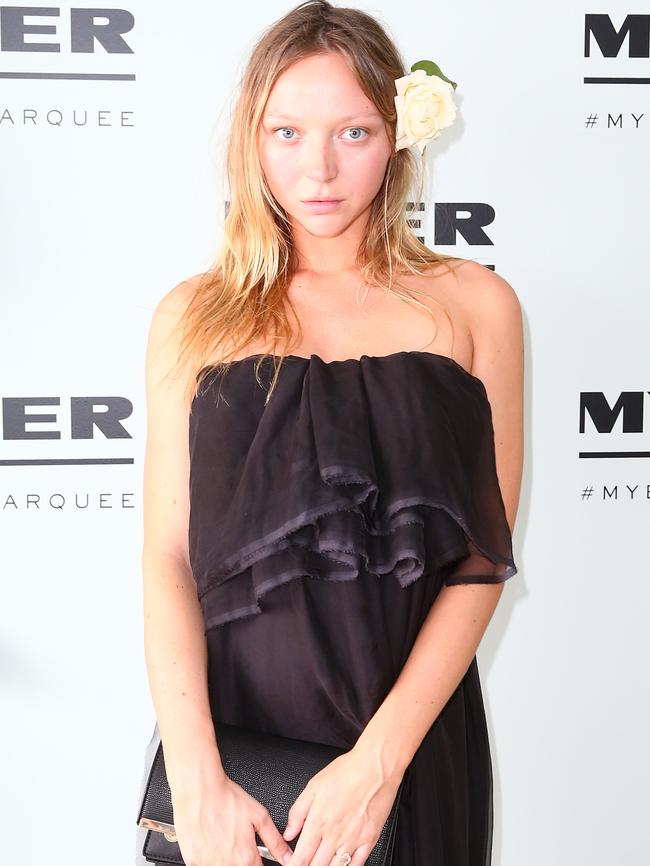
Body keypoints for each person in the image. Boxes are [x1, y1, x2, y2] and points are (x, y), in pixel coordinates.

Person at [138, 2, 524, 866]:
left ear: (397, 136)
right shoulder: (192, 317)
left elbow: (481, 560)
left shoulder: (476, 306)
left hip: (409, 748)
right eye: (287, 132)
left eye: (352, 131)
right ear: (252, 139)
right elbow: (166, 554)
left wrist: (379, 767)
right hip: (237, 756)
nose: (319, 169)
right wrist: (198, 781)